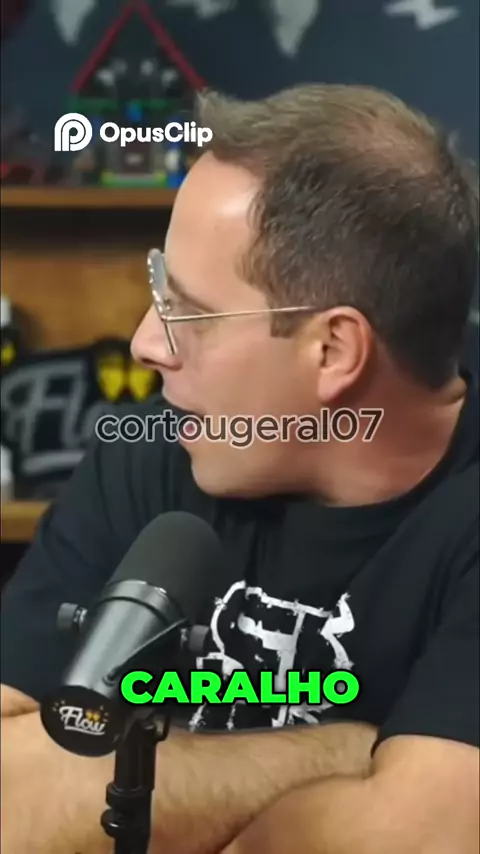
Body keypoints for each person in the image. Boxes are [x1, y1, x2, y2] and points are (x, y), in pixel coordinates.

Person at [1, 83, 479, 854]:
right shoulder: (158, 445)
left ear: (334, 351)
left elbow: (419, 838)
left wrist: (102, 803)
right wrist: (339, 752)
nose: (145, 344)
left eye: (188, 312)